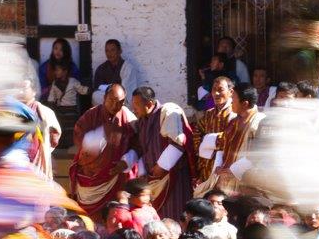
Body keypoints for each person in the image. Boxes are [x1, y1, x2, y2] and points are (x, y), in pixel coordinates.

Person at [69, 84, 138, 220]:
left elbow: (137, 144)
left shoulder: (128, 118)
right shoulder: (90, 115)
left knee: (113, 216)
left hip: (115, 178)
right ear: (104, 98)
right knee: (87, 219)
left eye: (120, 102)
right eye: (111, 100)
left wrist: (125, 162)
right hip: (90, 177)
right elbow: (79, 137)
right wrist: (99, 138)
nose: (115, 105)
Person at [130, 85, 192, 221]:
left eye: (136, 104)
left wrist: (161, 166)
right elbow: (142, 149)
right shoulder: (141, 122)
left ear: (150, 104)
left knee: (175, 216)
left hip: (173, 177)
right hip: (152, 180)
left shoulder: (168, 111)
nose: (133, 109)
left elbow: (177, 143)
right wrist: (142, 173)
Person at [196, 85, 264, 196]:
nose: (230, 101)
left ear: (245, 104)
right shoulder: (234, 122)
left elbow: (257, 155)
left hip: (245, 183)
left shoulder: (259, 122)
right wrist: (219, 167)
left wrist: (233, 170)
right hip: (226, 179)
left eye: (234, 99)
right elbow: (223, 145)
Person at [193, 76, 236, 185]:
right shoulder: (209, 114)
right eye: (214, 89)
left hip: (226, 166)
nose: (216, 93)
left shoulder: (235, 113)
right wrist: (202, 148)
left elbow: (232, 138)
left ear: (231, 92)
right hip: (206, 165)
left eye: (220, 90)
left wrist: (207, 141)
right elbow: (197, 132)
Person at [20, 77, 61, 180]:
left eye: (24, 88)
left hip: (38, 161)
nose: (20, 92)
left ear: (34, 91)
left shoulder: (45, 112)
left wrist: (44, 150)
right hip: (18, 164)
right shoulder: (13, 112)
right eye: (18, 89)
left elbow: (54, 137)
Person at [91, 39, 138, 107]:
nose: (109, 53)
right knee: (95, 95)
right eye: (107, 51)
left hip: (121, 99)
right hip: (107, 98)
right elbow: (98, 88)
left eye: (113, 50)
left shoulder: (127, 67)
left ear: (120, 51)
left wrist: (114, 90)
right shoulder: (101, 68)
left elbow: (127, 89)